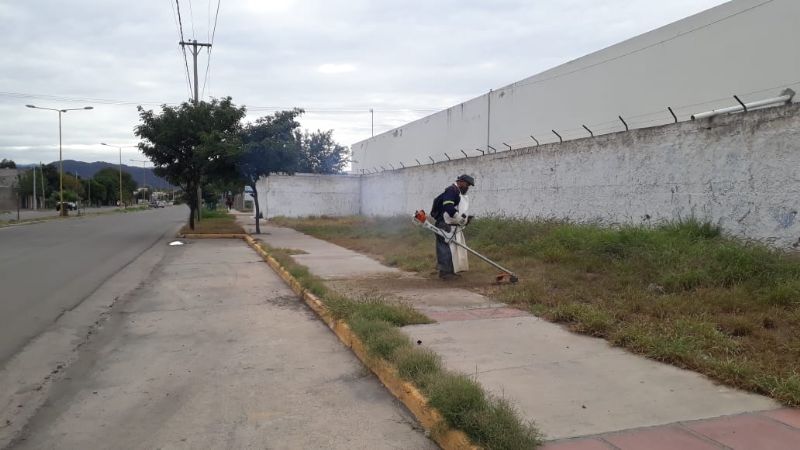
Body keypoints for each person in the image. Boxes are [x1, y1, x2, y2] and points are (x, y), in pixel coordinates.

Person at [430, 174, 475, 280]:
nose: (467, 187)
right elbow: (448, 206)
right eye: (466, 184)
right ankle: (445, 273)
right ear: (460, 182)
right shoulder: (451, 190)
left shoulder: (457, 192)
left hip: (449, 224)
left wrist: (463, 219)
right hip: (443, 224)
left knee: (451, 249)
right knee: (444, 248)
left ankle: (449, 271)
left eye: (469, 185)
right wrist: (458, 217)